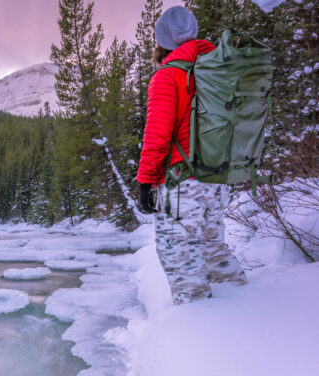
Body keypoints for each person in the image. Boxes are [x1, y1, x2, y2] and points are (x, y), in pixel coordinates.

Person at [136, 6, 248, 305]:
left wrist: (146, 180)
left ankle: (196, 327)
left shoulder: (169, 75)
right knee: (212, 244)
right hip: (216, 174)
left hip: (183, 178)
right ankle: (243, 300)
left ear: (162, 41)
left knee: (178, 252)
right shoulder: (218, 69)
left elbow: (157, 133)